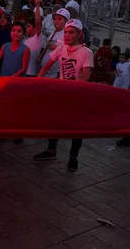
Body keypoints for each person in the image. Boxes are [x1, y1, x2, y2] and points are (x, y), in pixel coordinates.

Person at [35, 19, 93, 171]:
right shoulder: (61, 48)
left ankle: (73, 157)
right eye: (66, 32)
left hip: (78, 96)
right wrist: (36, 82)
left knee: (77, 129)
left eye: (71, 32)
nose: (67, 35)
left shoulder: (87, 52)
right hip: (61, 94)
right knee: (55, 123)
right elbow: (46, 66)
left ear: (79, 34)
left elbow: (86, 77)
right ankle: (51, 151)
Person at [39, 8, 69, 78]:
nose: (56, 21)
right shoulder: (54, 32)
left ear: (66, 21)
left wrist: (54, 47)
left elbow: (69, 50)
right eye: (55, 19)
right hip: (46, 71)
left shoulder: (67, 34)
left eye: (59, 19)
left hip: (55, 73)